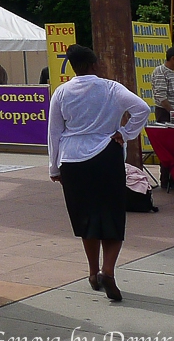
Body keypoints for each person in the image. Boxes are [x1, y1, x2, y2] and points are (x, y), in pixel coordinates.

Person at [47, 44, 149, 302]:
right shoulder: (111, 88)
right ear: (94, 64)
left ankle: (92, 273)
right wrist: (125, 134)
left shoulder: (61, 92)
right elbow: (142, 109)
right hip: (106, 154)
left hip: (72, 159)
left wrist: (54, 166)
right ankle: (108, 271)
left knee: (86, 218)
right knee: (112, 216)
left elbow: (54, 132)